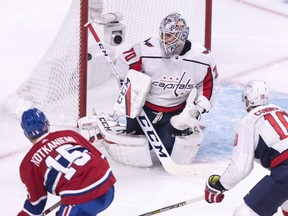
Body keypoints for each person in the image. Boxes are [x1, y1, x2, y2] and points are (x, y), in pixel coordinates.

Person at [114, 12, 219, 164]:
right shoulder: (146, 49)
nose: (164, 39)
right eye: (162, 34)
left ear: (182, 35)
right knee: (135, 155)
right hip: (143, 111)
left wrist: (196, 109)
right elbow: (124, 64)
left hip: (174, 113)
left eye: (169, 35)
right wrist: (131, 89)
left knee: (173, 152)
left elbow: (209, 86)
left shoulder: (202, 57)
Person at [204, 80, 288, 216]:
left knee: (244, 213)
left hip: (285, 172)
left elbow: (241, 167)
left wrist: (219, 186)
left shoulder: (248, 121)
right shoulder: (281, 111)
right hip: (284, 174)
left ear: (247, 98)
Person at [17, 108, 116, 216]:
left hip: (81, 200)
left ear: (26, 134)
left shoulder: (28, 163)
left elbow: (36, 204)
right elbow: (100, 156)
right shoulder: (69, 134)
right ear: (47, 124)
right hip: (108, 187)